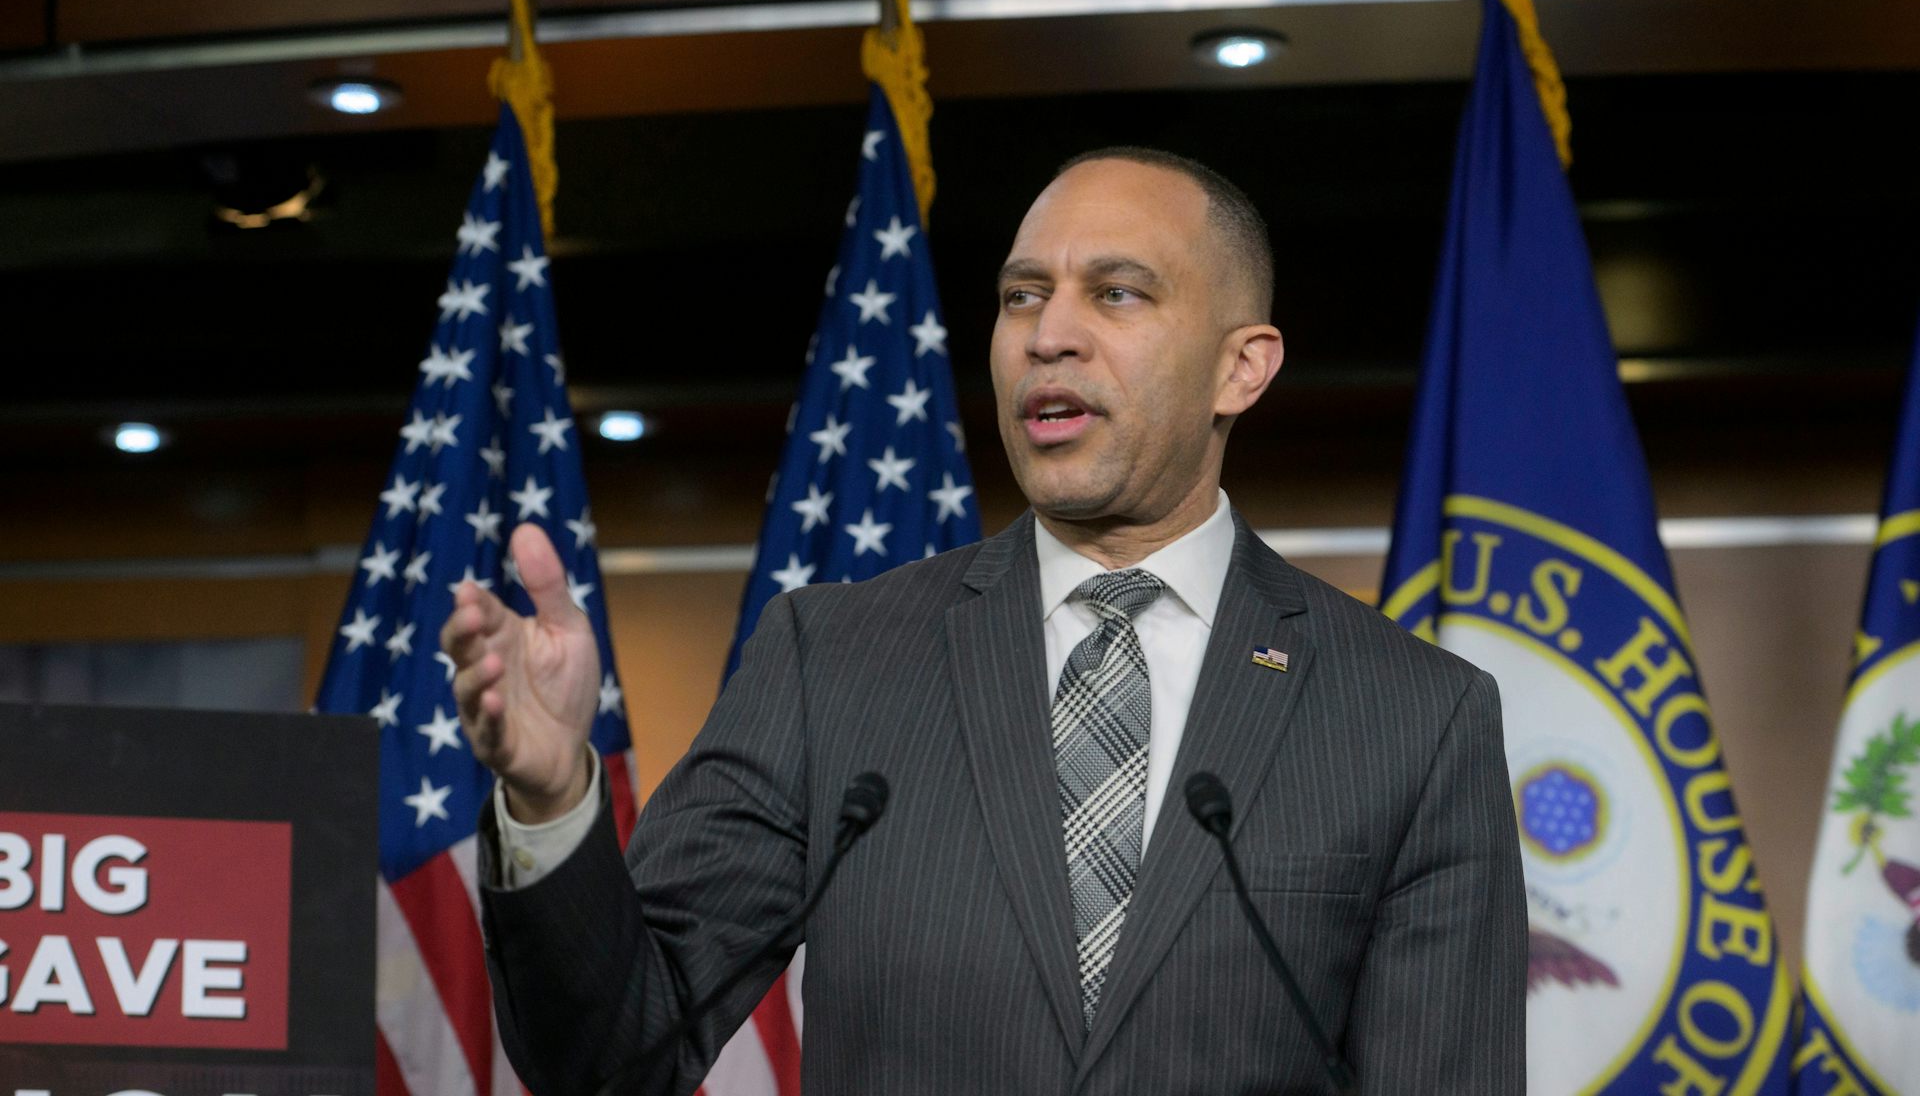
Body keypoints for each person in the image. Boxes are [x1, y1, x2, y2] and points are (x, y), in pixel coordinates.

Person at [445, 149, 1527, 1094]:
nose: (1049, 334)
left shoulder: (1413, 715)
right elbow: (613, 1055)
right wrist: (552, 797)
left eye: (1117, 293)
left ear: (1240, 367)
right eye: (1021, 296)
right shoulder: (834, 659)